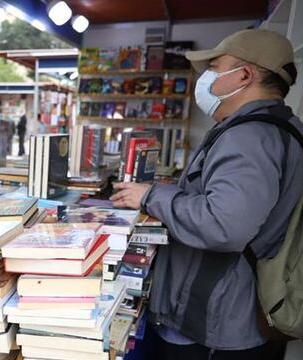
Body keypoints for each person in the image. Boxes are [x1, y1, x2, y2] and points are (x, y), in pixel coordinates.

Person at [110, 29, 302, 360]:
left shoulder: (249, 137)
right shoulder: (274, 127)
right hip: (228, 311)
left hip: (216, 322)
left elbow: (223, 225)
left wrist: (150, 196)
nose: (207, 78)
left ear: (243, 75)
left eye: (215, 67)